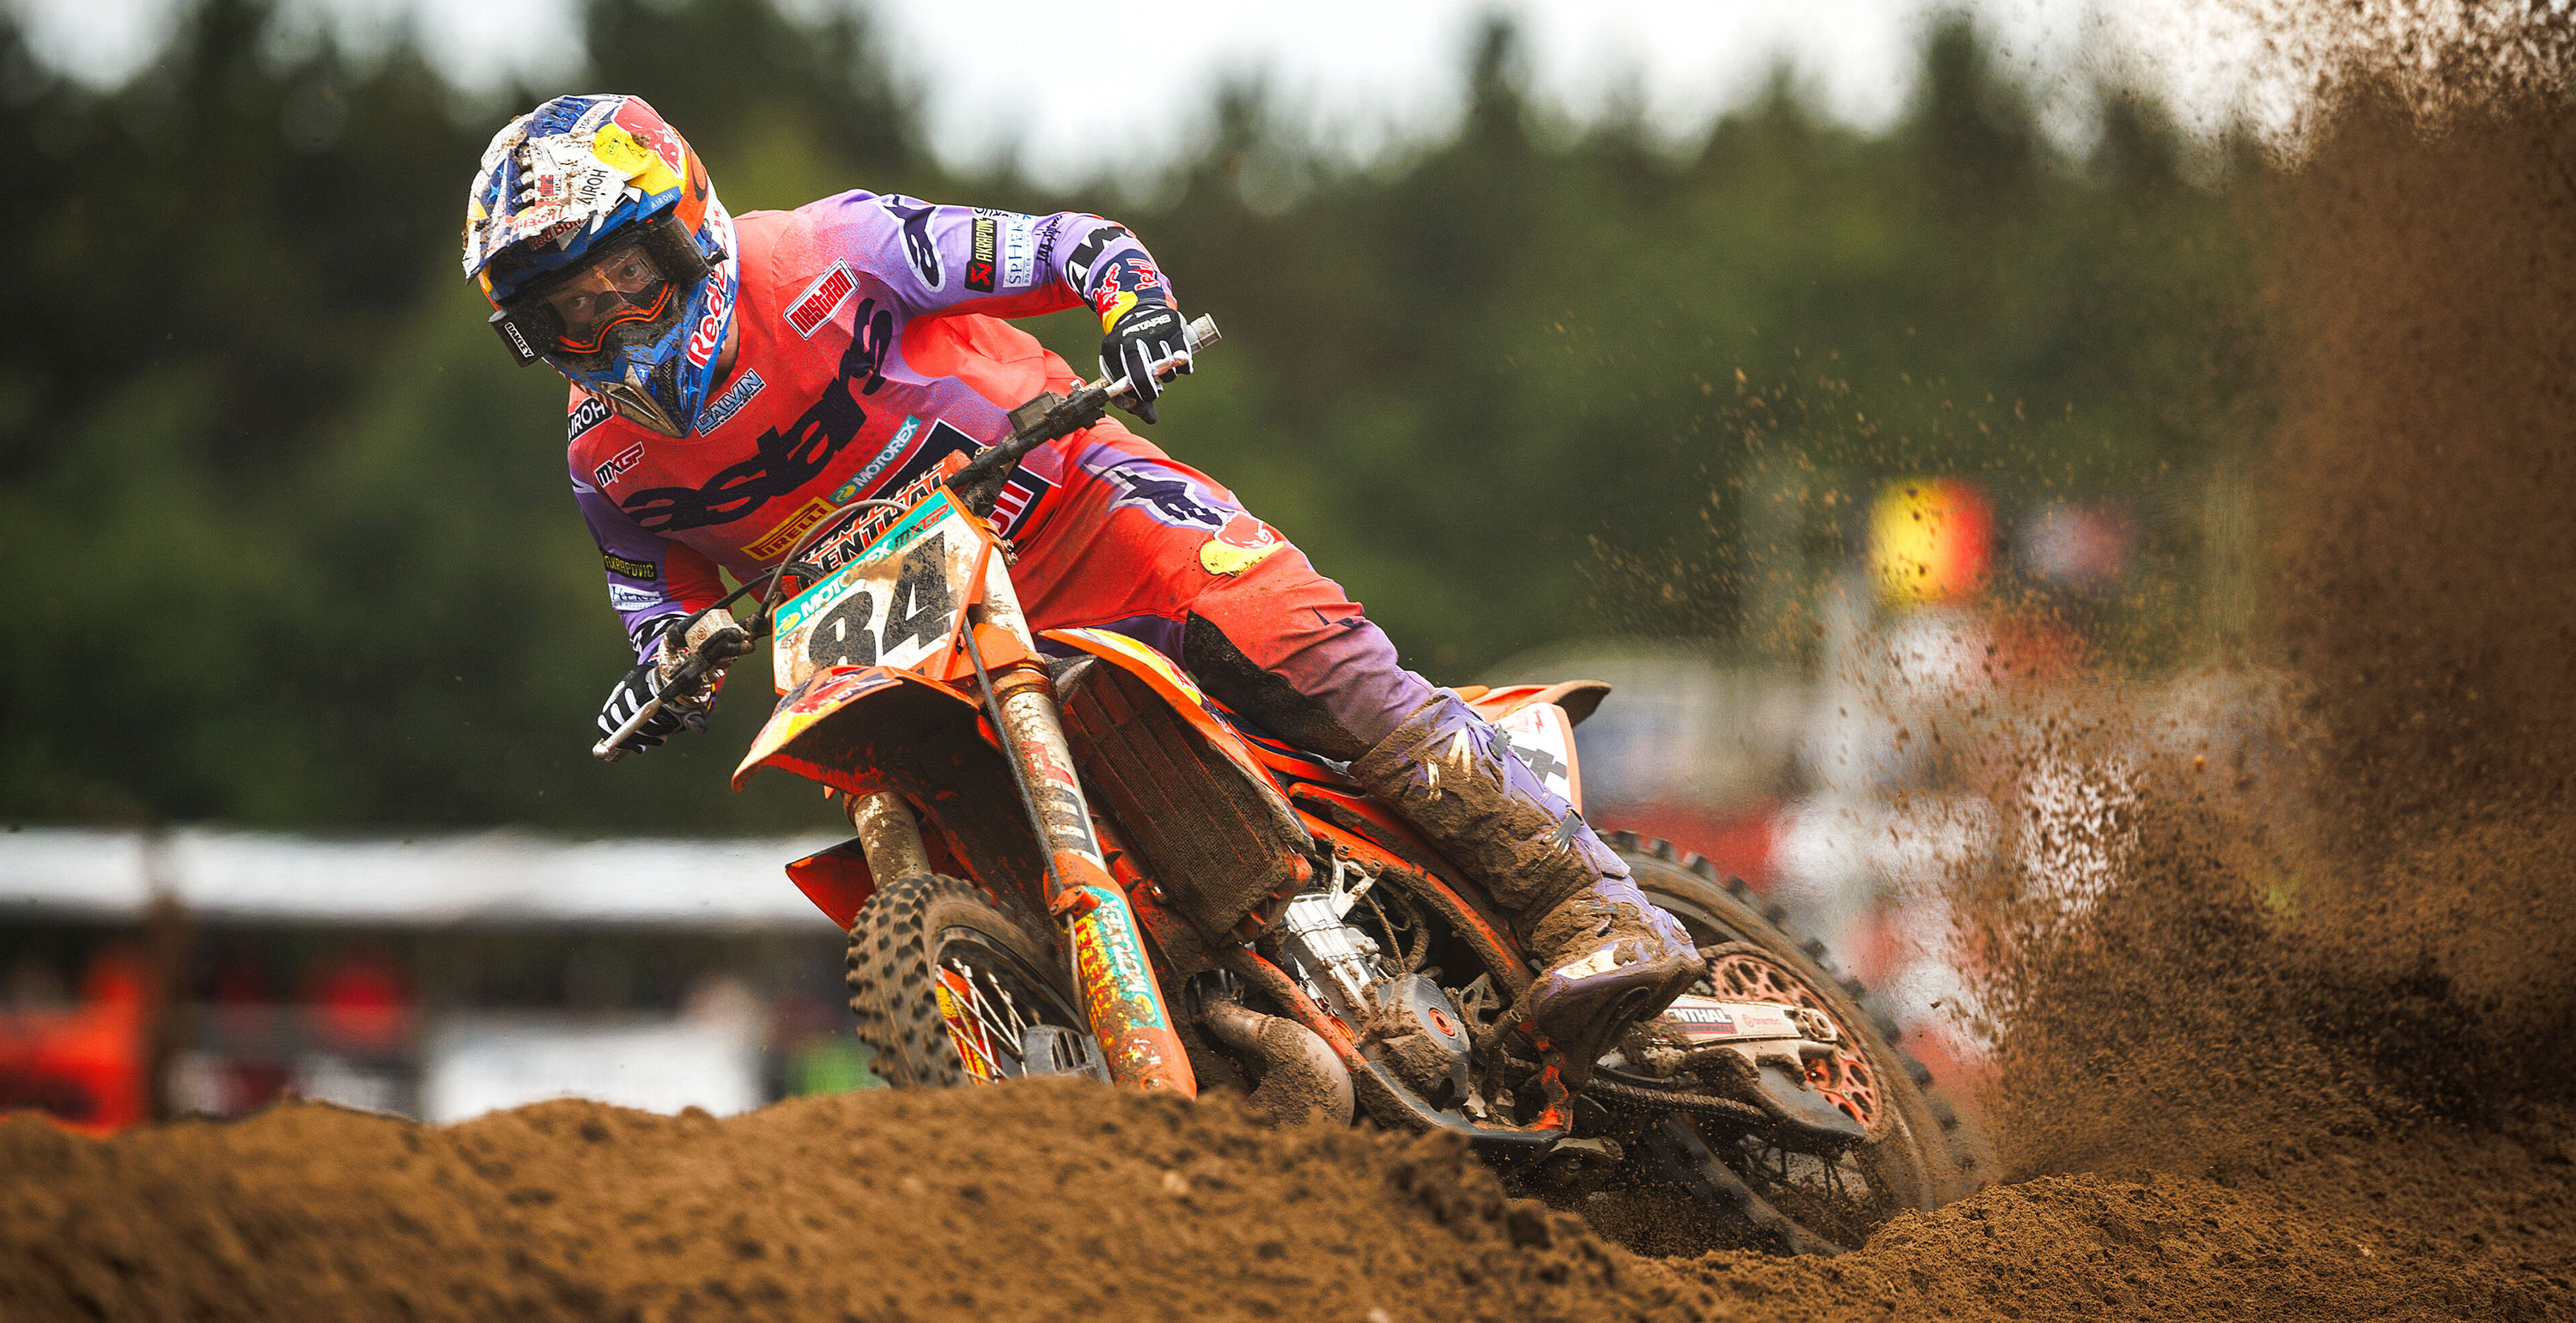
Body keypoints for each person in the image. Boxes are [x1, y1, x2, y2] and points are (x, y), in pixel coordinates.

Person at [461, 94, 1695, 1078]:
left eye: (625, 283)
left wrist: (1135, 309)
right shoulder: (606, 463)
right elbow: (655, 595)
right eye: (568, 315)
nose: (611, 328)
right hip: (907, 640)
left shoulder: (835, 254)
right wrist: (668, 662)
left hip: (1081, 514)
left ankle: (1599, 909)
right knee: (902, 802)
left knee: (1303, 651)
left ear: (686, 227)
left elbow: (1068, 247)